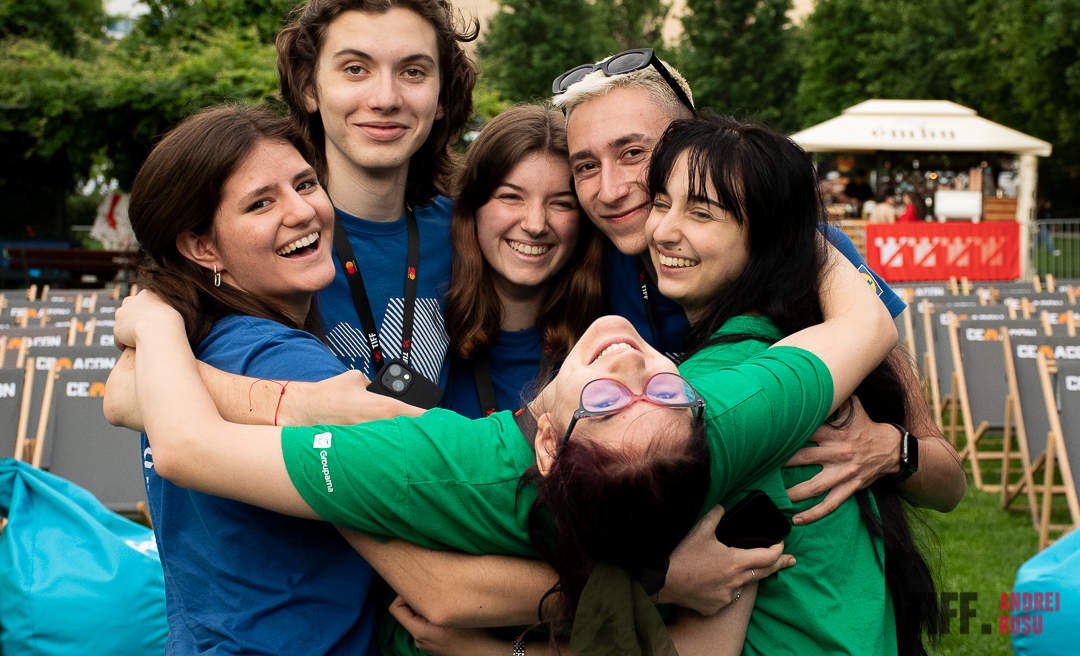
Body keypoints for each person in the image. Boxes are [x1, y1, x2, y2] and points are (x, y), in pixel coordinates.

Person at [108, 222, 897, 655]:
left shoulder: (444, 465)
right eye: (661, 385)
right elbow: (863, 318)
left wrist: (150, 318)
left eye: (609, 398)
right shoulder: (718, 422)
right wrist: (783, 211)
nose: (629, 363)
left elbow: (182, 445)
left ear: (549, 442)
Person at [550, 52, 962, 526]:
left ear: (689, 144)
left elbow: (948, 482)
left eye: (632, 154)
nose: (609, 189)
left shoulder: (809, 253)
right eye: (585, 166)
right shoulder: (582, 271)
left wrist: (891, 450)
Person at [645, 114, 954, 655]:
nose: (664, 230)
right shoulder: (818, 348)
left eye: (701, 213)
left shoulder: (725, 385)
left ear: (767, 241)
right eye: (660, 203)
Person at [124, 105, 410, 656]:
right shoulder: (275, 357)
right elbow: (434, 484)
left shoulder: (185, 351)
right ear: (203, 247)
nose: (302, 211)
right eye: (261, 202)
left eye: (305, 184)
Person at [278, 0, 478, 387]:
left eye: (413, 72)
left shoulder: (473, 236)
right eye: (355, 68)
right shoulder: (263, 237)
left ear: (441, 96)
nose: (386, 98)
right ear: (309, 87)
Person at [441, 105, 604, 417]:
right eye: (511, 197)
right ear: (472, 207)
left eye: (561, 203)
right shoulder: (430, 335)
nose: (535, 224)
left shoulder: (602, 346)